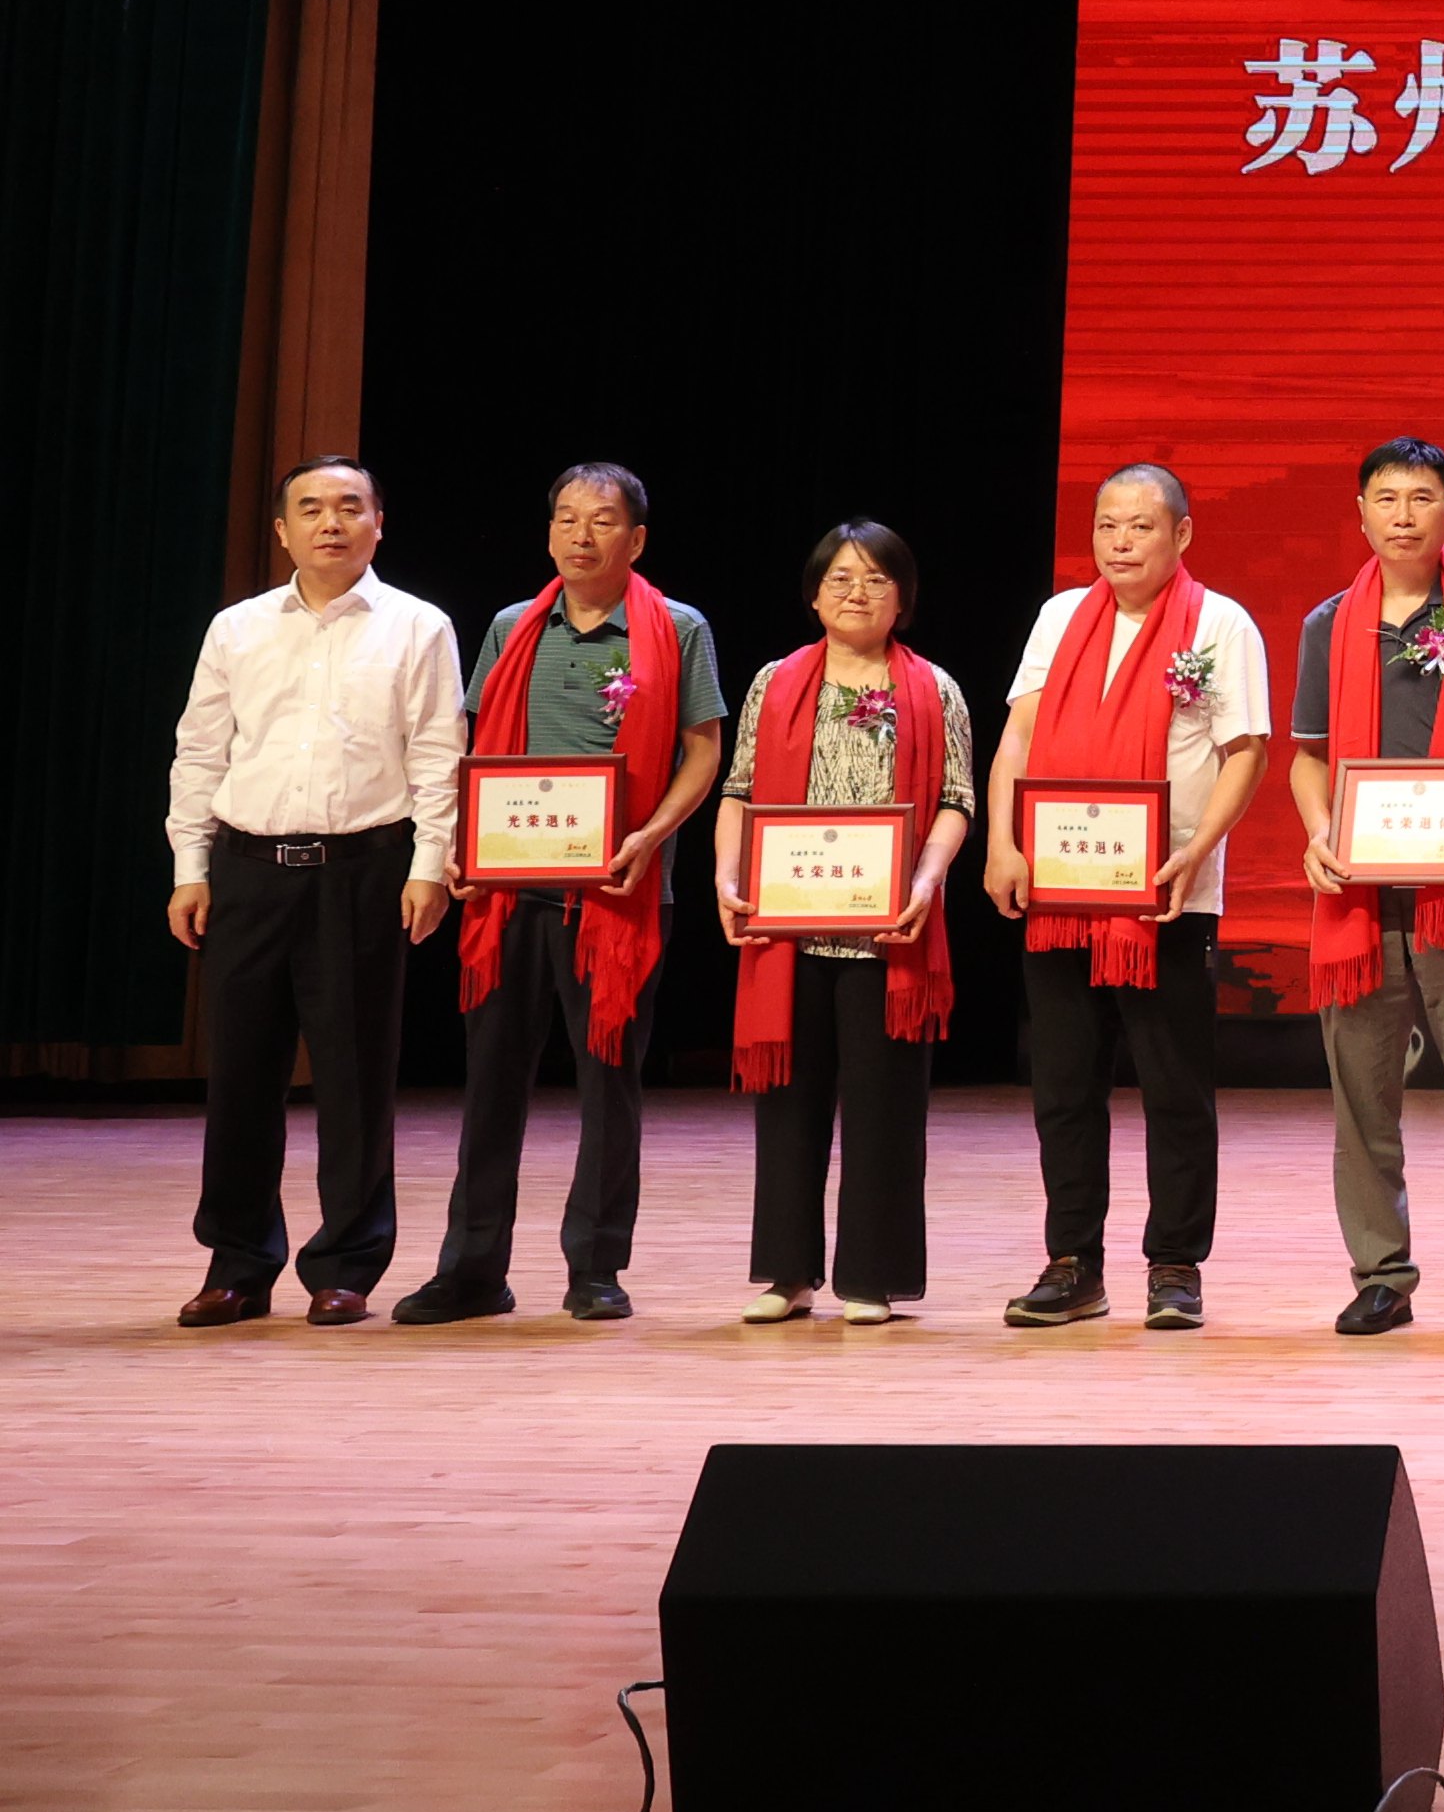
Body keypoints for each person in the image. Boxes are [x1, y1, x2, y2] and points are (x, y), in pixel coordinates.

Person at [406, 462, 725, 1326]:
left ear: (637, 539)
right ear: (549, 532)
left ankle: (595, 1265)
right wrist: (464, 847)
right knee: (490, 1085)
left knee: (608, 1087)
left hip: (620, 891)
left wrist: (649, 837)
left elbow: (702, 749)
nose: (581, 535)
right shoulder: (512, 625)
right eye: (566, 519)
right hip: (509, 895)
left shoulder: (678, 628)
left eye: (602, 520)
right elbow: (477, 747)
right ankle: (473, 1270)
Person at [163, 455, 461, 1327]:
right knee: (241, 1076)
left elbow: (437, 753)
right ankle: (237, 1263)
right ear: (282, 530)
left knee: (354, 1076)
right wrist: (189, 868)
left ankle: (347, 1265)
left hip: (364, 869)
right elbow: (200, 752)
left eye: (349, 506)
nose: (331, 522)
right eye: (311, 508)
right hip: (248, 871)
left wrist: (430, 865)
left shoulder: (419, 626)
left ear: (378, 523)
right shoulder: (238, 628)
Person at [982, 463, 1269, 1332]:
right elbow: (1018, 737)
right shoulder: (1060, 616)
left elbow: (1246, 752)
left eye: (1141, 527)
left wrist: (1197, 852)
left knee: (1174, 1089)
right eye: (1107, 525)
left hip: (1168, 895)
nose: (1120, 542)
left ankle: (1175, 1263)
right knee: (1065, 1087)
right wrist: (1002, 843)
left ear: (1180, 534)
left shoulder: (1220, 623)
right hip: (1062, 888)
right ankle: (1072, 1262)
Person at [1290, 437, 1444, 1338]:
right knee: (1361, 1095)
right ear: (1361, 514)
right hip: (1358, 896)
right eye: (1387, 498)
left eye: (1422, 497)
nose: (1404, 515)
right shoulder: (1328, 623)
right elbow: (1310, 757)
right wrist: (1319, 835)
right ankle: (1380, 1274)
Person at [718, 521, 968, 1323]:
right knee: (787, 1106)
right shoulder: (774, 682)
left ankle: (870, 1278)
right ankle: (786, 1275)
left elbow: (957, 800)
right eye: (840, 578)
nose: (856, 593)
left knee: (883, 1113)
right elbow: (739, 790)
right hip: (787, 931)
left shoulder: (935, 689)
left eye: (875, 579)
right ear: (814, 594)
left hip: (889, 936)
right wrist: (727, 876)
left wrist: (926, 881)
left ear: (903, 599)